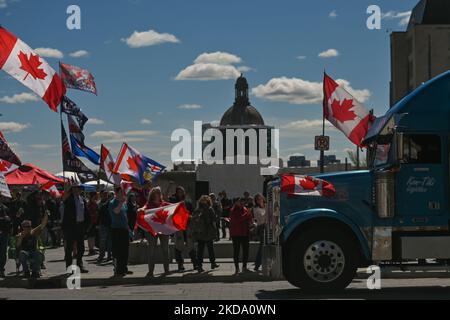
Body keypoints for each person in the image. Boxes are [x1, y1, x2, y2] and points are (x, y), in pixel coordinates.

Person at [142, 187, 170, 277]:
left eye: (159, 193)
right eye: (155, 193)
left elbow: (171, 209)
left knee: (165, 249)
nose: (157, 194)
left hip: (163, 229)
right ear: (152, 195)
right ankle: (151, 271)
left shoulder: (163, 204)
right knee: (151, 251)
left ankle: (166, 270)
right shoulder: (148, 206)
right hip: (152, 230)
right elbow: (143, 212)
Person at [62, 185, 89, 273]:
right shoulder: (69, 199)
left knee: (81, 247)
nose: (77, 190)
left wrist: (86, 225)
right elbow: (64, 201)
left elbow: (86, 212)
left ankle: (79, 265)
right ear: (72, 190)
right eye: (75, 188)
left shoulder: (82, 199)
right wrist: (66, 192)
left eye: (79, 188)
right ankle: (69, 267)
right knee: (69, 248)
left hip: (80, 225)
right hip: (71, 226)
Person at [16, 211, 48, 278]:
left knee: (39, 254)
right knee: (22, 254)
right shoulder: (21, 235)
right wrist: (21, 237)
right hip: (25, 252)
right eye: (26, 226)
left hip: (33, 251)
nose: (28, 228)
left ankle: (35, 271)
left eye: (29, 226)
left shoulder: (34, 232)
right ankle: (26, 271)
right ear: (23, 227)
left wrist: (46, 216)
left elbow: (43, 224)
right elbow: (17, 246)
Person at [169, 186, 194, 271]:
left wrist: (190, 216)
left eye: (182, 191)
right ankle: (180, 264)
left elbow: (192, 213)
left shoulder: (188, 202)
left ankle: (195, 262)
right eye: (179, 191)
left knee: (190, 244)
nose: (180, 193)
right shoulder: (173, 201)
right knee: (178, 245)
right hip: (178, 226)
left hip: (187, 226)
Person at [191, 195, 219, 272]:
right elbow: (214, 220)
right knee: (210, 248)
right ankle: (213, 263)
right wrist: (215, 232)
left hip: (200, 232)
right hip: (208, 231)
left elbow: (193, 220)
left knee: (200, 250)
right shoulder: (210, 209)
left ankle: (199, 265)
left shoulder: (197, 209)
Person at [109, 186, 132, 277]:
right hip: (116, 229)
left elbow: (125, 215)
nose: (123, 194)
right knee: (118, 250)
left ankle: (124, 268)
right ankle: (118, 269)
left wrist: (128, 228)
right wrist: (121, 202)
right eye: (121, 192)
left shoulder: (124, 203)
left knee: (125, 250)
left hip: (124, 229)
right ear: (116, 192)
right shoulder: (112, 202)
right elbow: (116, 212)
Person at [229, 198, 253, 275]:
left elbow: (249, 218)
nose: (242, 203)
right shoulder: (233, 210)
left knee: (246, 251)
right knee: (236, 251)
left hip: (245, 233)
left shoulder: (245, 209)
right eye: (240, 201)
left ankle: (244, 267)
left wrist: (250, 216)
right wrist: (247, 214)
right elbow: (237, 220)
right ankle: (237, 268)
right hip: (236, 233)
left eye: (242, 201)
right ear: (236, 202)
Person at [252, 193, 266, 271]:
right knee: (262, 246)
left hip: (268, 226)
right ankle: (257, 264)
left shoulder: (266, 205)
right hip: (261, 227)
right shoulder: (256, 208)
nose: (260, 200)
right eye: (258, 199)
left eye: (261, 198)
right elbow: (260, 218)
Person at [97, 191, 112, 263]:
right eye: (104, 195)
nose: (106, 196)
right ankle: (102, 255)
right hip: (103, 224)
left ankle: (109, 255)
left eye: (107, 195)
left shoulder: (111, 203)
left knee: (109, 241)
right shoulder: (101, 204)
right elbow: (99, 213)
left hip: (110, 224)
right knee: (103, 241)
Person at [0, 199, 11, 278]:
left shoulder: (6, 208)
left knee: (3, 252)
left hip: (4, 233)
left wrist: (8, 219)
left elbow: (10, 220)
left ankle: (1, 270)